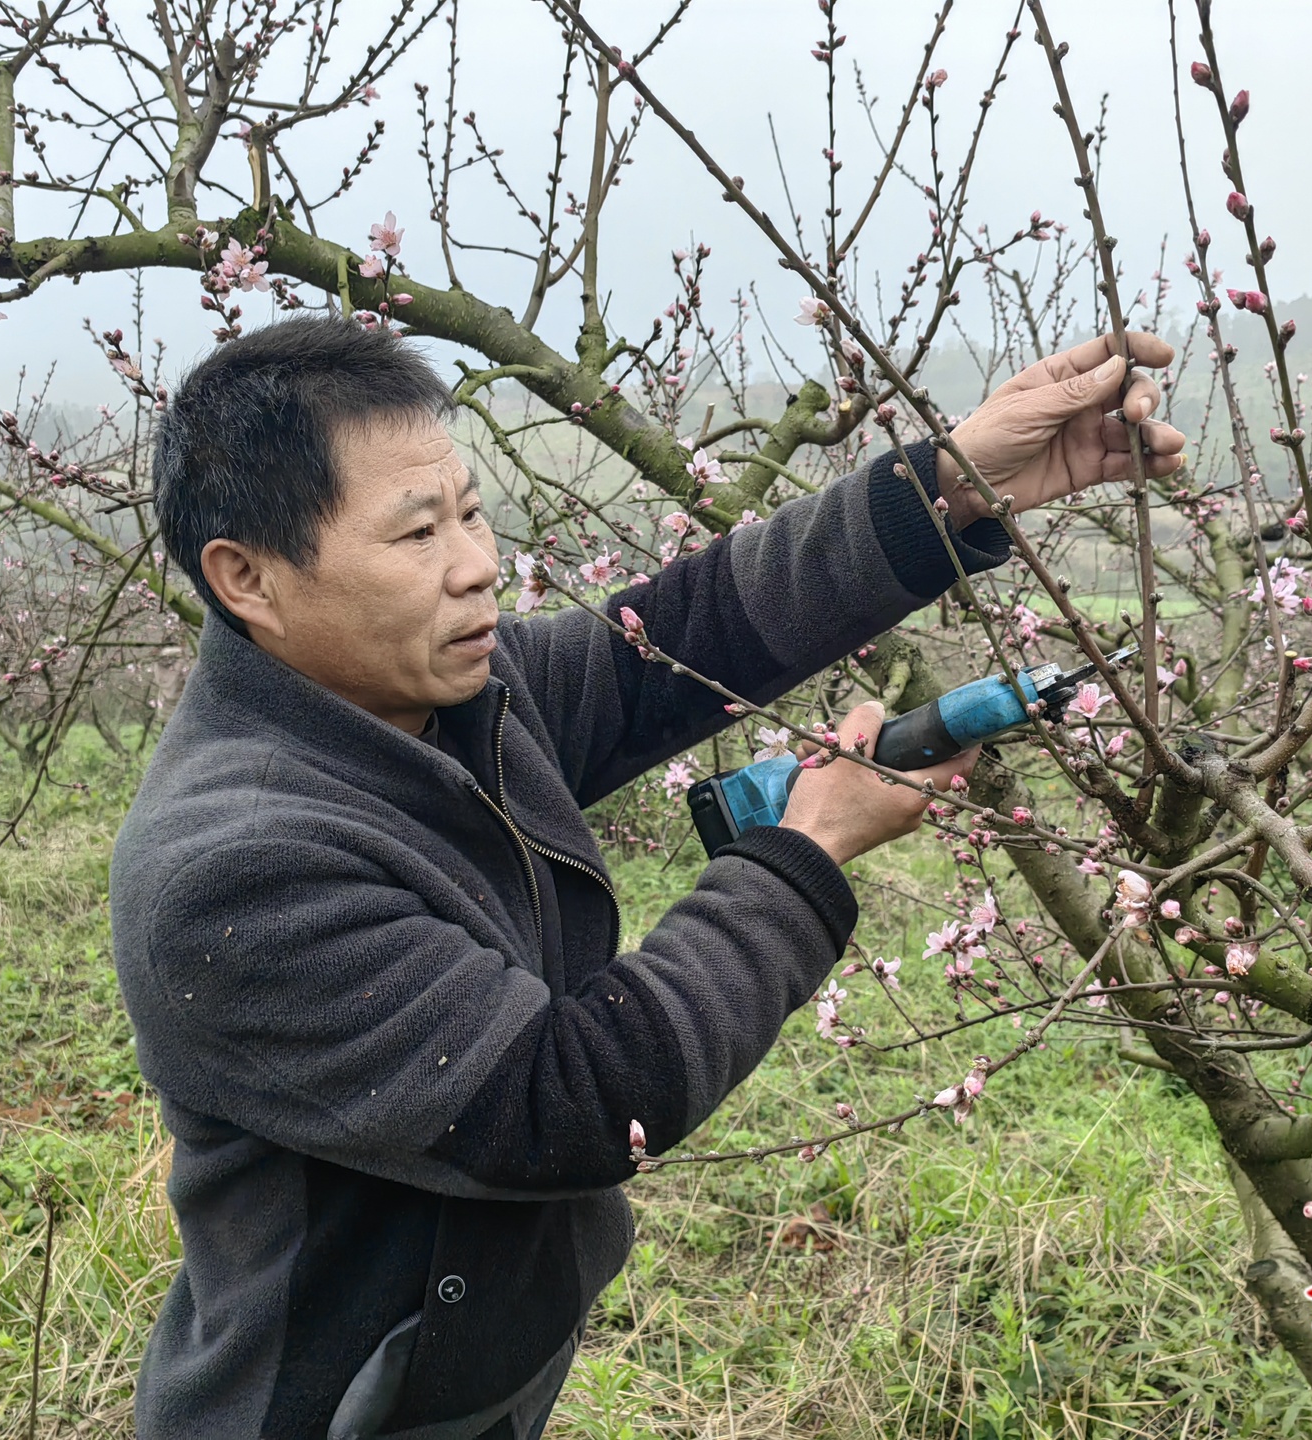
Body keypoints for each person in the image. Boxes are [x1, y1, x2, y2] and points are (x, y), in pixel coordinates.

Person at [109, 317, 1184, 1440]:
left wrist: (946, 490)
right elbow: (562, 1101)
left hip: (448, 1389)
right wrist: (803, 854)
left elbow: (688, 635)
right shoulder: (237, 871)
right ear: (249, 579)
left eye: (469, 513)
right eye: (417, 533)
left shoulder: (449, 699)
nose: (475, 564)